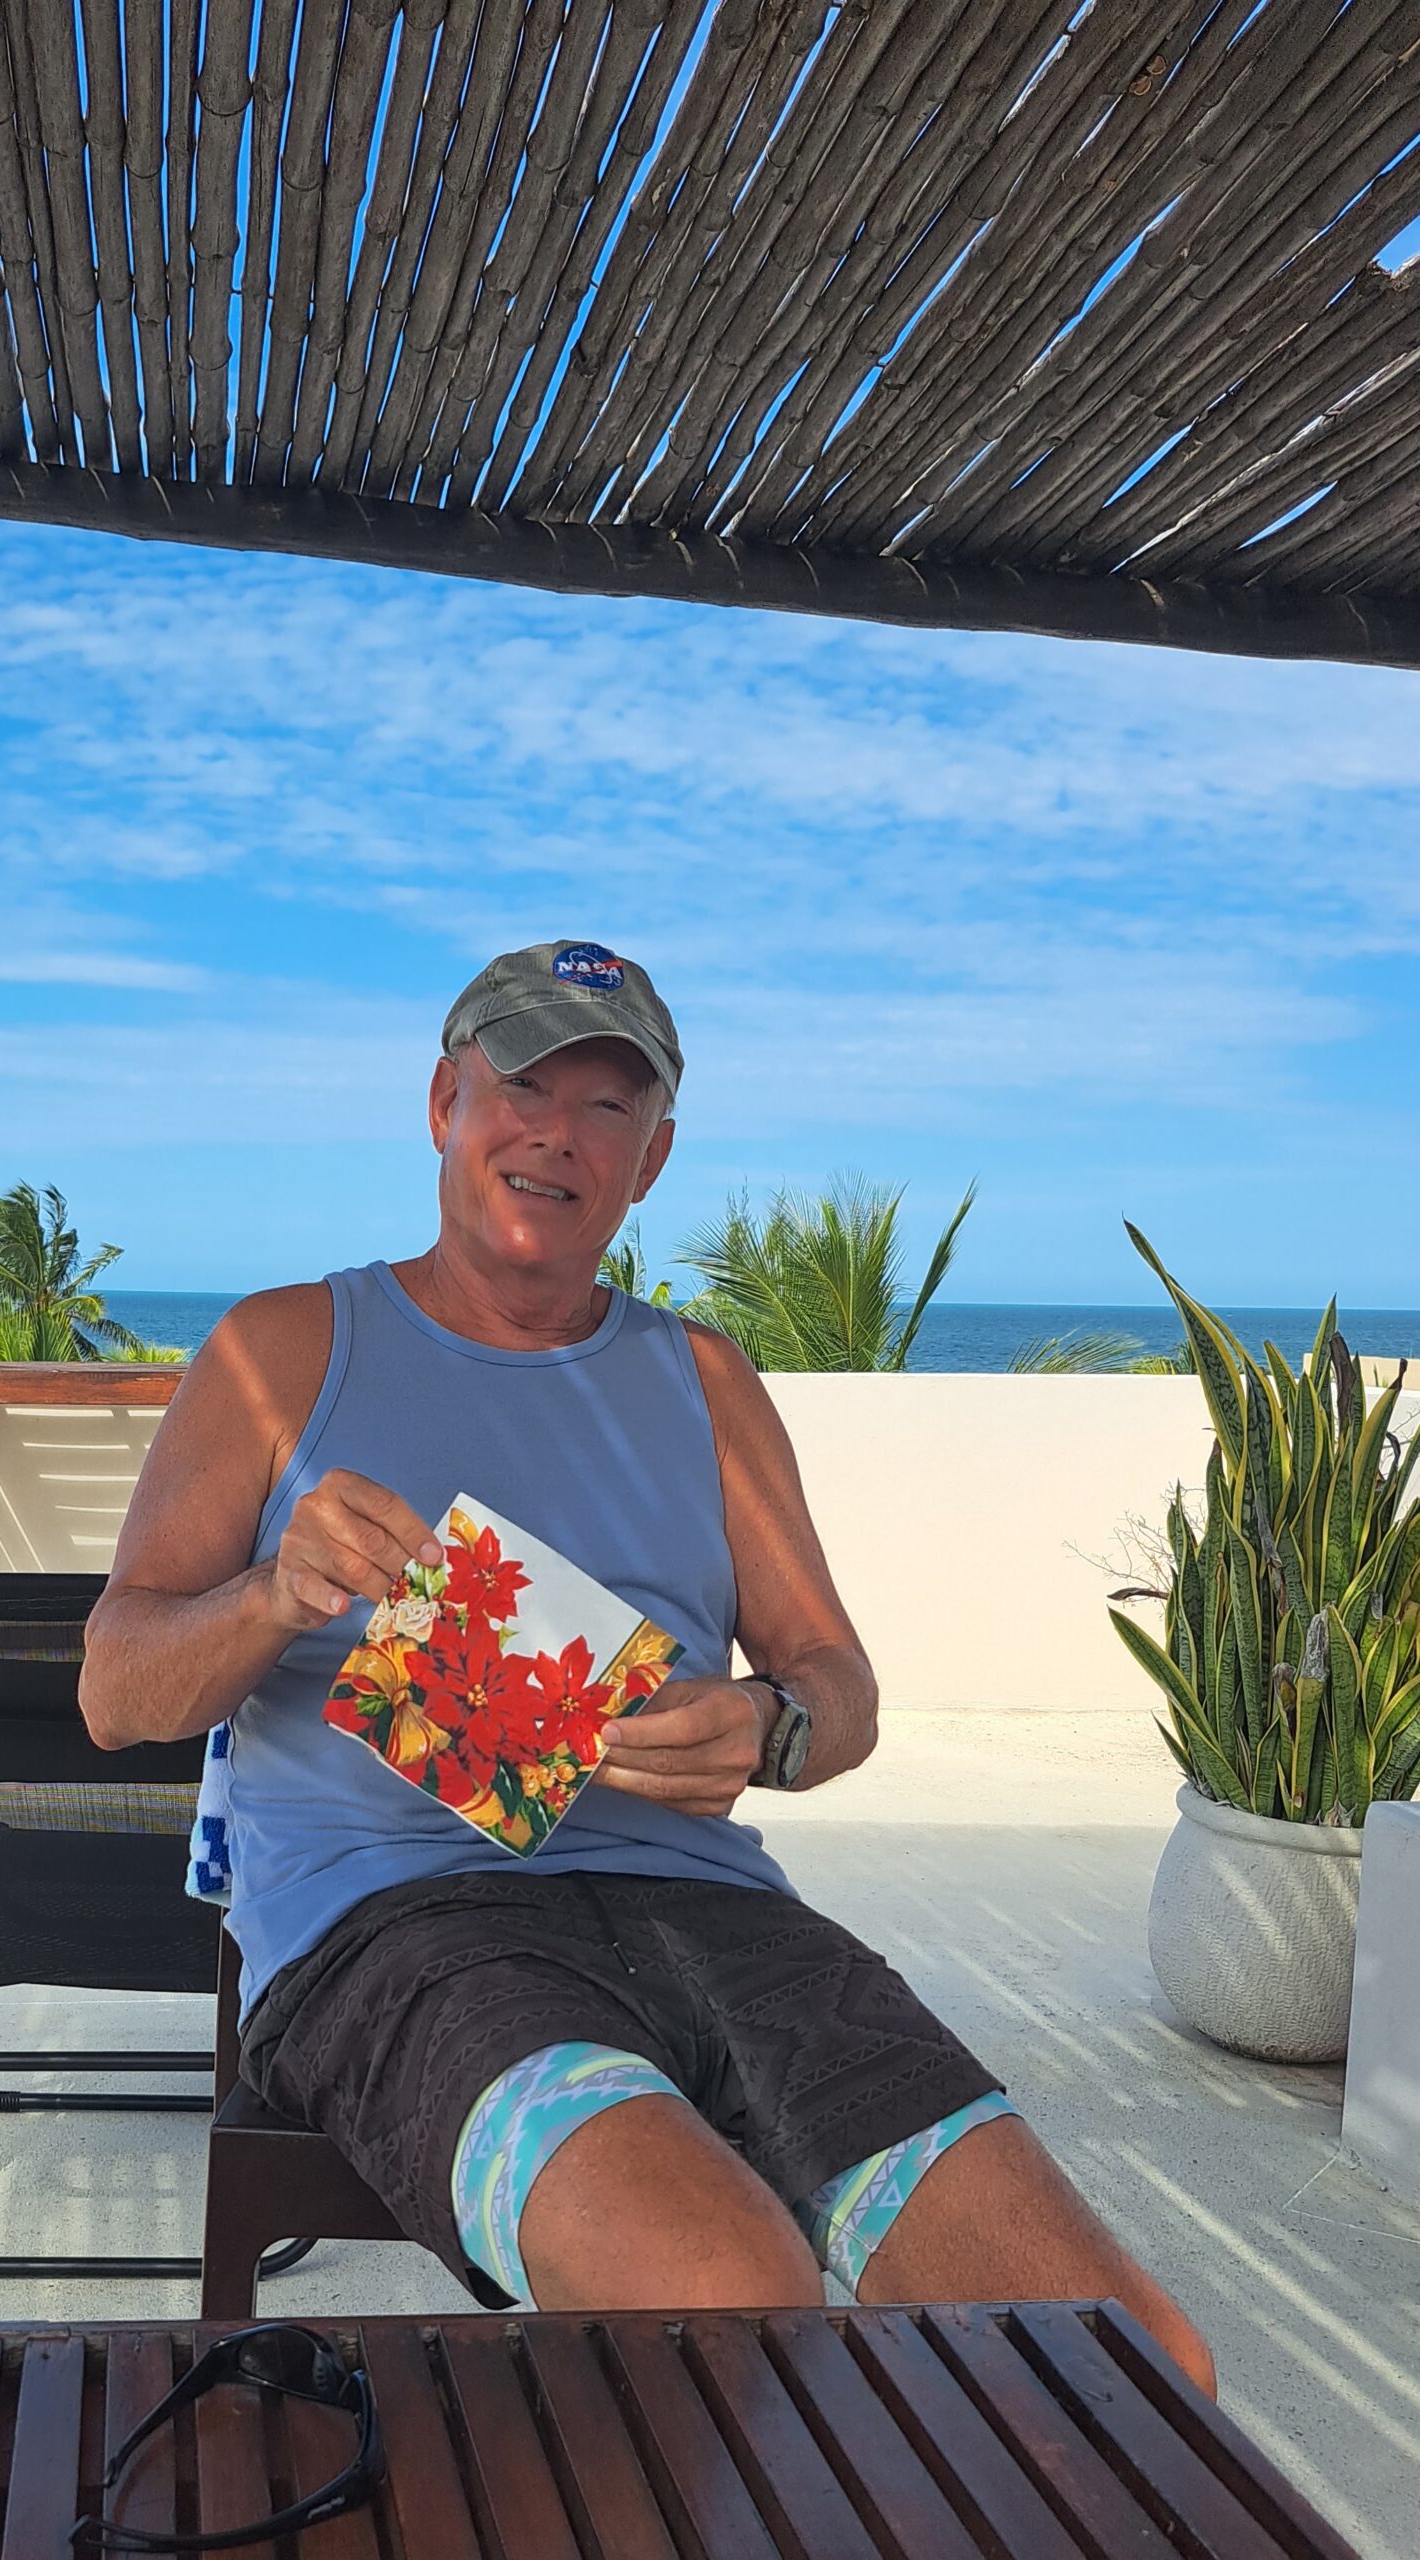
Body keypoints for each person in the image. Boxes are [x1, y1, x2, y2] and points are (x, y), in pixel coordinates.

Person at [80, 940, 1215, 2391]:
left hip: (718, 1915)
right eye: (522, 1084)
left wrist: (769, 1724)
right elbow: (115, 1692)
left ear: (653, 1158)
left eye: (608, 1106)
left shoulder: (705, 1377)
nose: (557, 1131)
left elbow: (840, 1682)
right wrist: (268, 1594)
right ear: (443, 1103)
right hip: (400, 1922)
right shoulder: (284, 1349)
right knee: (724, 2294)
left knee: (1135, 2363)